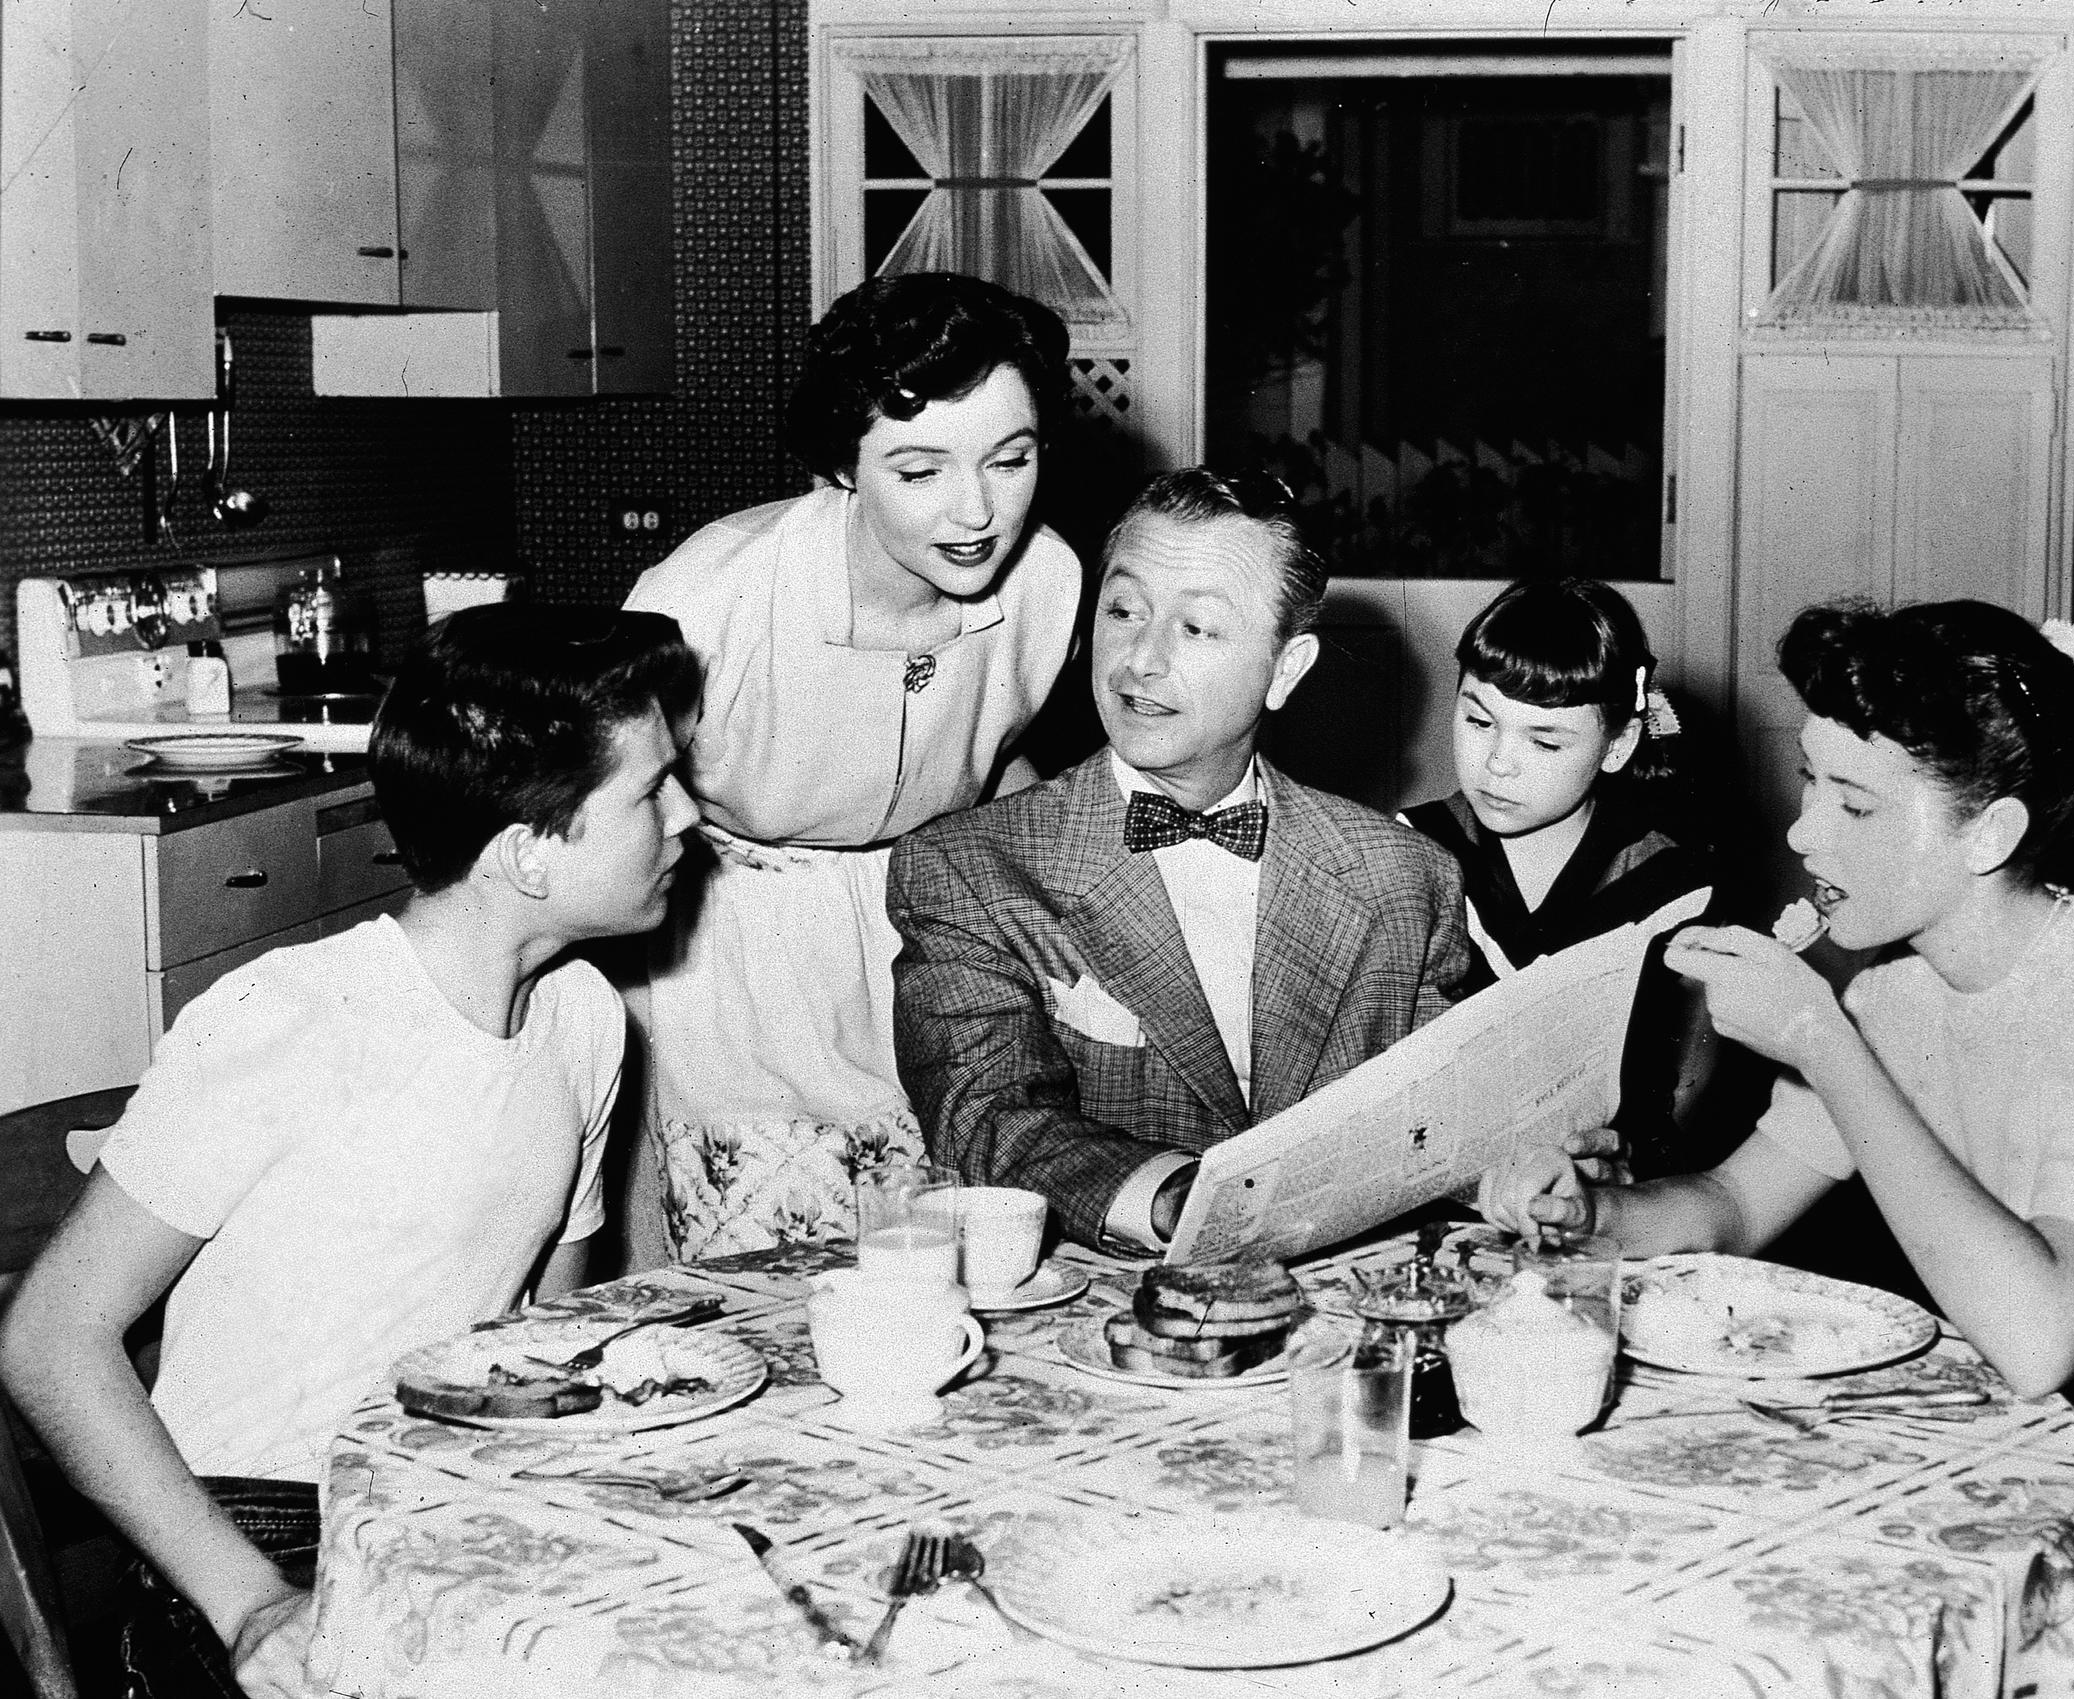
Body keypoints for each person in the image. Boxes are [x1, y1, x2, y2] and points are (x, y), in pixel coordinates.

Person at [1482, 598, 2074, 1699]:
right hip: (2032, 1481)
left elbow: (2043, 1333)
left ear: (1990, 834)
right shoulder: (1897, 995)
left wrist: (1822, 1041)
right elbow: (1732, 1205)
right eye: (1812, 782)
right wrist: (1592, 1216)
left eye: (1855, 802)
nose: (1805, 833)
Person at [0, 604, 703, 1696]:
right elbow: (48, 1338)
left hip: (446, 1506)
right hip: (258, 1536)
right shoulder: (293, 1022)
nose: (690, 814)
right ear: (527, 853)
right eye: (651, 791)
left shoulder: (584, 1020)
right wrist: (249, 1602)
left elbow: (542, 1345)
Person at [888, 468, 1476, 1251]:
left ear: (1286, 668)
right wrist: (1179, 1198)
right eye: (1123, 610)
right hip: (1109, 1295)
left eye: (1196, 628)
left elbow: (1445, 1125)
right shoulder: (968, 867)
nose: (1141, 659)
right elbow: (987, 1119)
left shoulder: (1405, 876)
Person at [622, 271, 1083, 1263]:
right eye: (919, 472)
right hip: (732, 959)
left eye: (1011, 460)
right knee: (767, 1280)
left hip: (936, 937)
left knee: (952, 1259)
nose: (976, 512)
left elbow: (997, 759)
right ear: (842, 465)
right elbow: (610, 799)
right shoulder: (712, 597)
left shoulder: (1048, 580)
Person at [1403, 577, 1758, 1179]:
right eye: (1479, 721)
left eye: (1545, 742)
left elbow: (1689, 1078)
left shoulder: (1670, 882)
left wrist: (1634, 1161)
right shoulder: (1409, 849)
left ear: (1617, 746)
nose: (1498, 763)